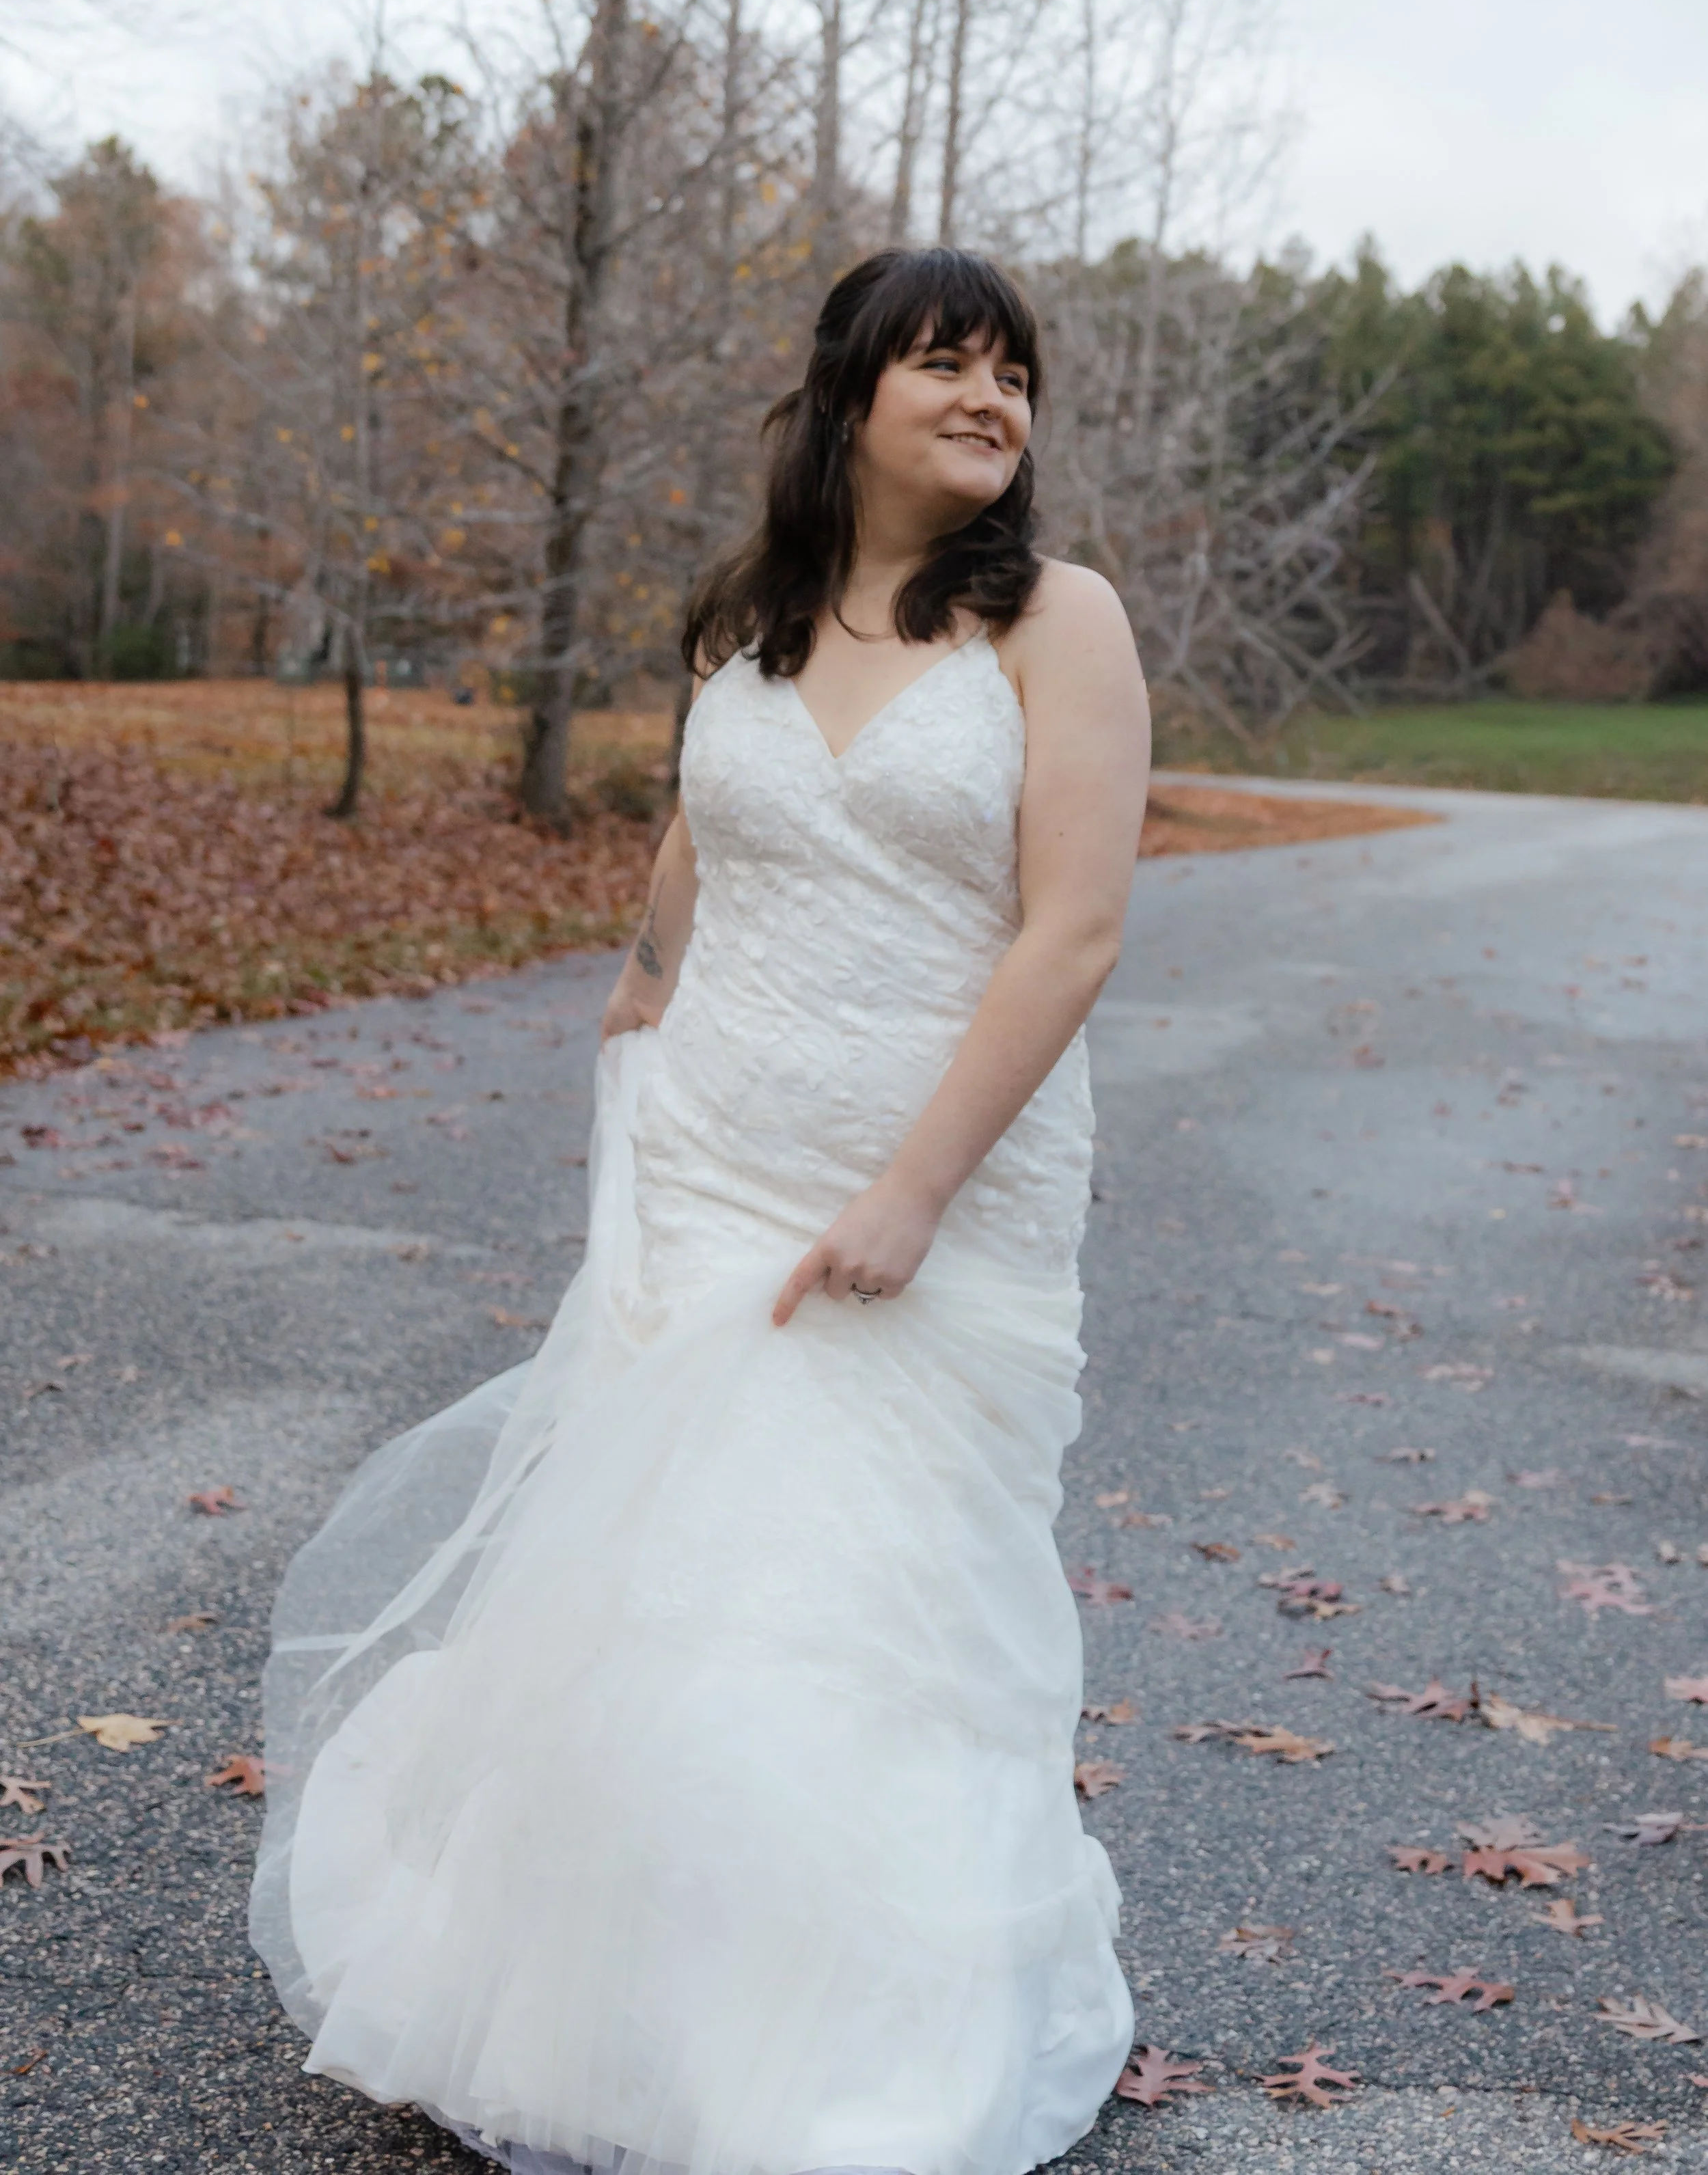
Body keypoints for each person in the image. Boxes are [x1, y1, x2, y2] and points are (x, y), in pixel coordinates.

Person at [251, 244, 1153, 2175]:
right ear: (847, 396)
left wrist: (909, 1190)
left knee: (857, 1599)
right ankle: (632, 2016)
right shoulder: (750, 621)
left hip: (937, 1200)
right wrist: (644, 984)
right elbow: (712, 821)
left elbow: (1071, 927)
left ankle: (836, 2062)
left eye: (1016, 374)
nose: (993, 400)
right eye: (948, 366)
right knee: (674, 1581)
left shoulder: (1056, 622)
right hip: (717, 1161)